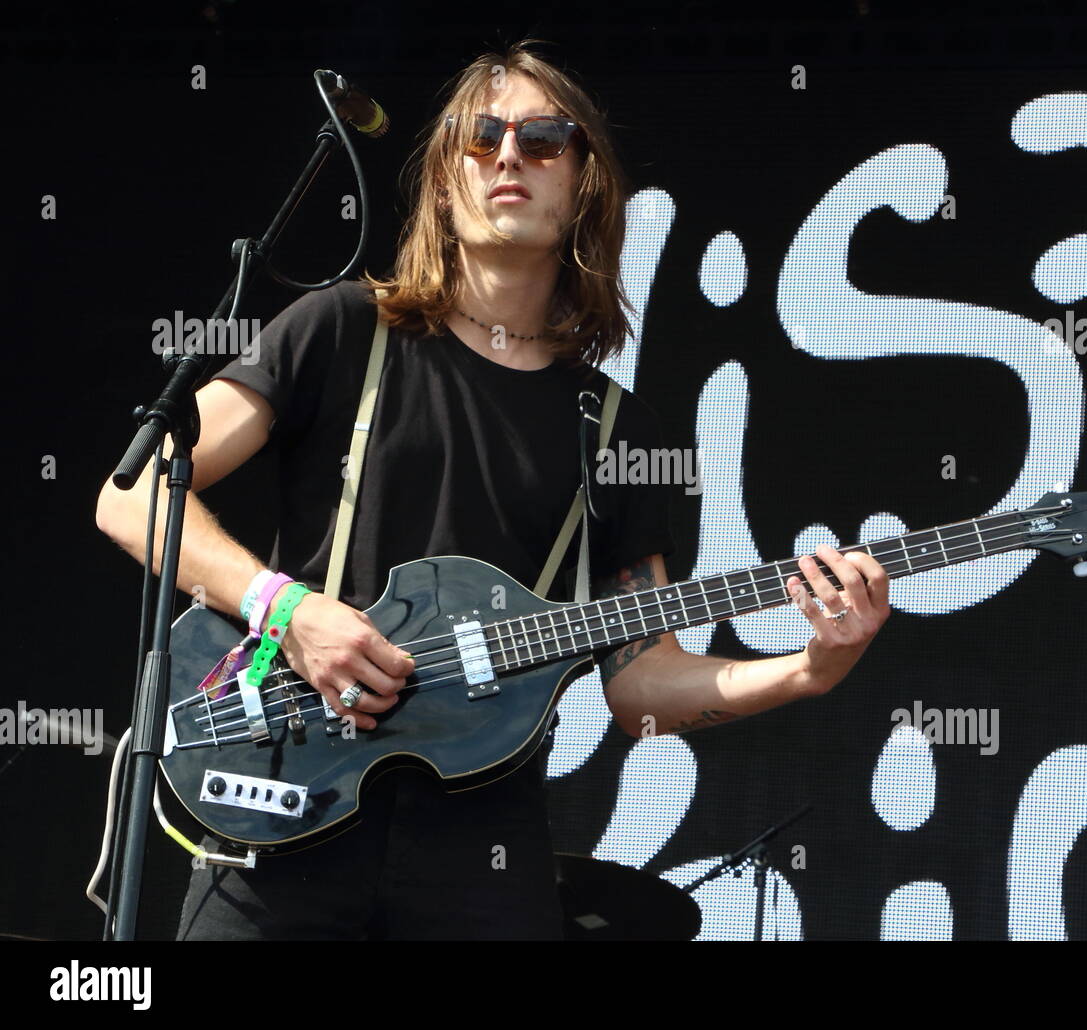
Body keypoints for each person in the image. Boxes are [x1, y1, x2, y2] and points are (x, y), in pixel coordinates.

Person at [95, 40, 891, 941]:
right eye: (481, 136)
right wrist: (286, 611)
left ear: (583, 184)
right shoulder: (342, 328)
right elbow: (130, 495)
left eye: (545, 138)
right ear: (445, 180)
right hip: (282, 814)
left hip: (478, 857)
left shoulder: (612, 427)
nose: (508, 155)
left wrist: (810, 668)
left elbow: (641, 687)